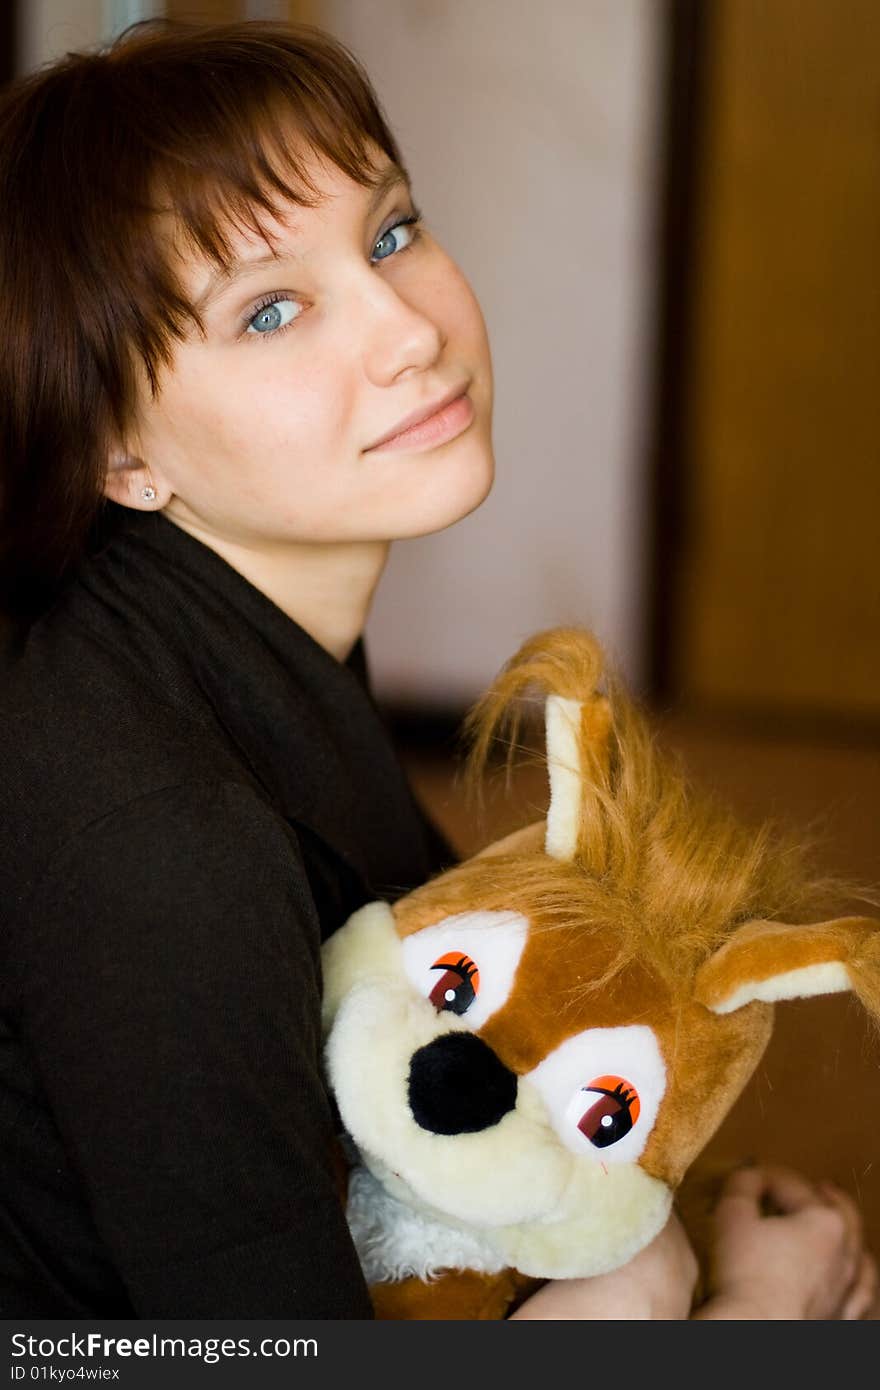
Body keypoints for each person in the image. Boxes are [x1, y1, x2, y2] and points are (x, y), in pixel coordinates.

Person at [0, 19, 874, 1320]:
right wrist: (752, 1319)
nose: (408, 328)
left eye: (391, 232)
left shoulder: (248, 616)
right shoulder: (152, 826)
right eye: (271, 309)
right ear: (119, 454)